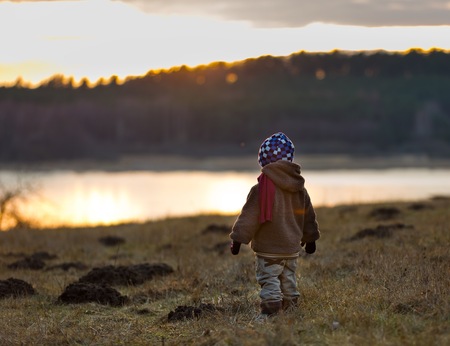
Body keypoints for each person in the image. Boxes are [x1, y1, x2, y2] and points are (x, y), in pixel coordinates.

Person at [229, 132, 320, 318]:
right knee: (288, 279)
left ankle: (270, 311)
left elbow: (248, 217)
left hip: (268, 249)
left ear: (264, 161)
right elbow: (308, 216)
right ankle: (291, 308)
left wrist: (237, 240)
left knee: (269, 279)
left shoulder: (261, 189)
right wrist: (310, 239)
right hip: (291, 248)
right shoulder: (299, 188)